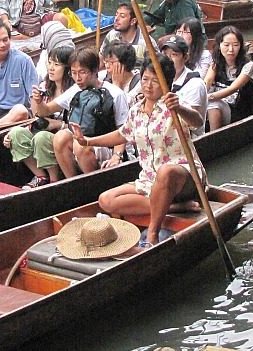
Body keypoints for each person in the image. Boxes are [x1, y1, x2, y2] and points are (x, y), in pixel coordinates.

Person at [82, 55, 205, 246]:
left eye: (155, 81)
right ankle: (175, 207)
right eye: (145, 79)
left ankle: (152, 233)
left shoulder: (174, 104)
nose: (148, 86)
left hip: (183, 177)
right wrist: (88, 141)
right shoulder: (136, 110)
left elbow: (197, 121)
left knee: (166, 171)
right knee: (105, 200)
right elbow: (122, 134)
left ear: (168, 82)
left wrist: (179, 109)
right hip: (149, 179)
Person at [32, 47, 129, 178]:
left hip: (109, 148)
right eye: (73, 73)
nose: (77, 78)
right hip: (83, 143)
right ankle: (72, 182)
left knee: (80, 145)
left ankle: (93, 182)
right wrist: (39, 102)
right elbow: (46, 110)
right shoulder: (75, 90)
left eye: (82, 72)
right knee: (61, 137)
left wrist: (117, 156)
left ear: (95, 71)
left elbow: (124, 131)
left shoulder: (115, 93)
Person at [4, 46, 76, 188]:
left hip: (65, 138)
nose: (51, 68)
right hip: (44, 132)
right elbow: (37, 117)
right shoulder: (45, 87)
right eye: (49, 63)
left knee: (41, 137)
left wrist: (57, 124)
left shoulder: (73, 92)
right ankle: (40, 176)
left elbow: (81, 126)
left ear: (67, 69)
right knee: (16, 134)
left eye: (56, 64)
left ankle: (54, 180)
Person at [204, 26, 253, 129]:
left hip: (239, 111)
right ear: (219, 46)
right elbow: (207, 81)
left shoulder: (249, 65)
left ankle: (213, 136)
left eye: (235, 45)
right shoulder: (216, 63)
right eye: (226, 45)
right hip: (220, 107)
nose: (231, 50)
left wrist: (208, 97)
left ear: (241, 46)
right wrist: (199, 95)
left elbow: (232, 89)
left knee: (213, 104)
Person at [159, 34, 209, 137]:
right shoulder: (158, 77)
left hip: (189, 138)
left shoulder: (195, 84)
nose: (168, 59)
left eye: (174, 55)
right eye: (165, 54)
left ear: (185, 57)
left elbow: (191, 124)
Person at [102, 41, 142, 105]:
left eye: (111, 62)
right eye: (106, 62)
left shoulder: (139, 82)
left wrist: (117, 85)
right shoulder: (103, 76)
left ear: (124, 63)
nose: (107, 66)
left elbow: (121, 104)